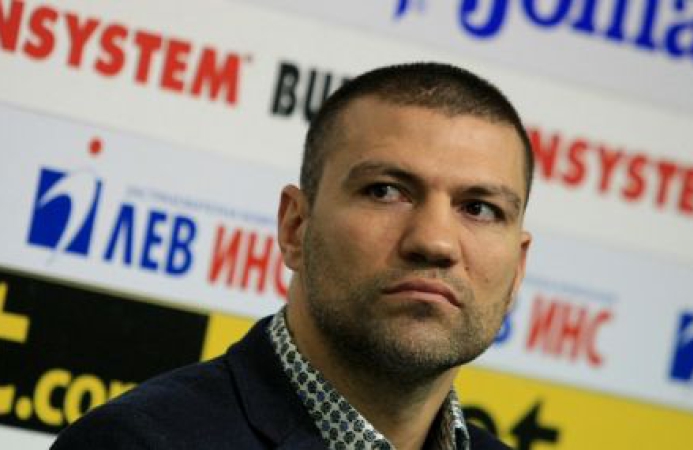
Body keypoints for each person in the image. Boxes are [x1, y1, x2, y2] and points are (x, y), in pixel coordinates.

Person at [52, 62, 533, 450]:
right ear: (295, 227)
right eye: (385, 191)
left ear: (518, 269)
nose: (435, 242)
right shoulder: (134, 443)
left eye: (479, 208)